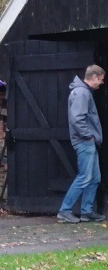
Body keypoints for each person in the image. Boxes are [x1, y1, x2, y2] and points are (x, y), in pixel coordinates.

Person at [57, 64, 106, 223]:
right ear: (95, 77)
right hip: (85, 142)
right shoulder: (82, 92)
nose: (102, 83)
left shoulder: (82, 91)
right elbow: (77, 119)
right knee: (85, 177)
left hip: (88, 142)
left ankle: (86, 212)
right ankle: (65, 210)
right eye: (101, 79)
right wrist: (89, 136)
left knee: (94, 178)